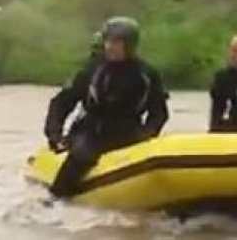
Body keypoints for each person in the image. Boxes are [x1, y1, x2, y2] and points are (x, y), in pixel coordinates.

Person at [43, 17, 169, 199]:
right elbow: (62, 103)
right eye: (108, 41)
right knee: (81, 157)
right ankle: (56, 198)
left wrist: (147, 133)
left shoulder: (147, 74)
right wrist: (54, 135)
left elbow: (159, 113)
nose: (110, 46)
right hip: (91, 131)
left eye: (117, 42)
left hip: (128, 131)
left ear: (130, 45)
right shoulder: (92, 70)